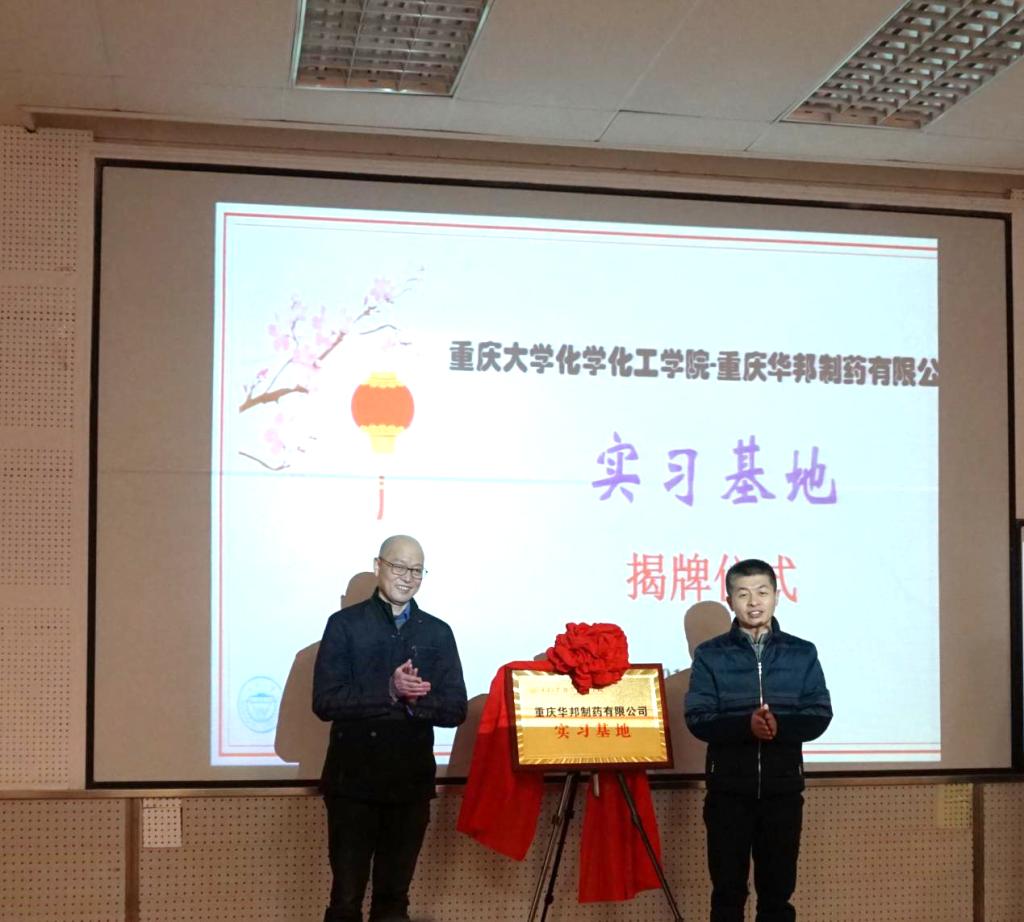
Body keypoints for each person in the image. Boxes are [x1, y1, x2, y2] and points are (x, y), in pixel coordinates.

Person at [313, 535, 467, 922]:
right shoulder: (344, 626)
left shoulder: (437, 632)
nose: (407, 577)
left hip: (409, 784)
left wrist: (415, 701)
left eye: (416, 570)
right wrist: (389, 691)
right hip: (353, 785)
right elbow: (325, 702)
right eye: (399, 567)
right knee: (346, 899)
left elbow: (456, 708)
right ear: (378, 566)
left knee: (394, 900)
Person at [684, 558, 832, 922]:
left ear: (777, 597)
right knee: (727, 895)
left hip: (783, 793)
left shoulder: (802, 652)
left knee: (777, 897)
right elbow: (698, 718)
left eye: (762, 592)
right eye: (743, 594)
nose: (754, 602)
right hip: (728, 794)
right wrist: (746, 727)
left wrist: (779, 726)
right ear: (730, 600)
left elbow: (819, 713)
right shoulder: (709, 655)